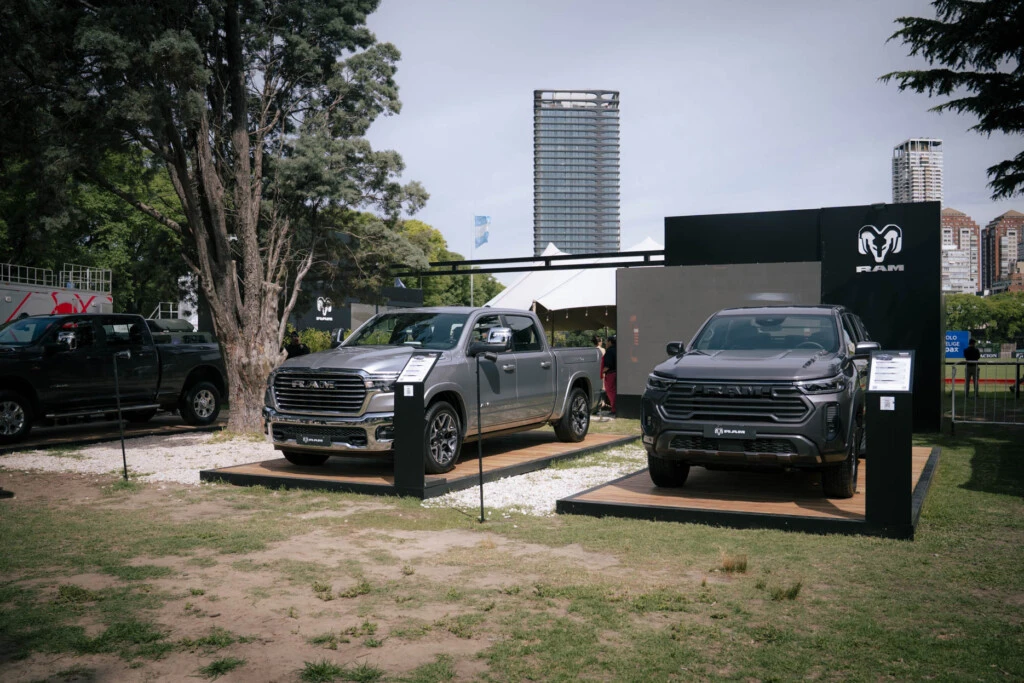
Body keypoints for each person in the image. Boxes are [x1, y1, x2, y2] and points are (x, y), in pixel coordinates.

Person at [603, 334, 617, 417]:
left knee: (610, 391)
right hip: (617, 373)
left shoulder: (609, 351)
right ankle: (615, 408)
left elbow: (607, 366)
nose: (606, 343)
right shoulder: (618, 349)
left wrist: (601, 372)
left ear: (610, 342)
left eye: (607, 341)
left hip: (611, 374)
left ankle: (614, 409)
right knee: (615, 391)